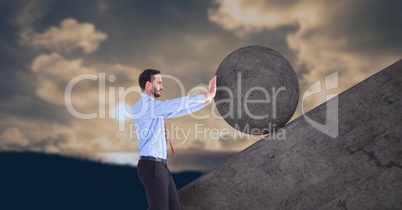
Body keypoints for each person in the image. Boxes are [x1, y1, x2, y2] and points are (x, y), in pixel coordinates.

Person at [133, 69, 217, 210]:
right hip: (151, 166)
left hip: (160, 167)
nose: (162, 87)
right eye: (159, 83)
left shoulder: (155, 109)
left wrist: (205, 102)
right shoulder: (145, 106)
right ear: (148, 84)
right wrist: (204, 96)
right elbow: (174, 104)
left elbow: (177, 110)